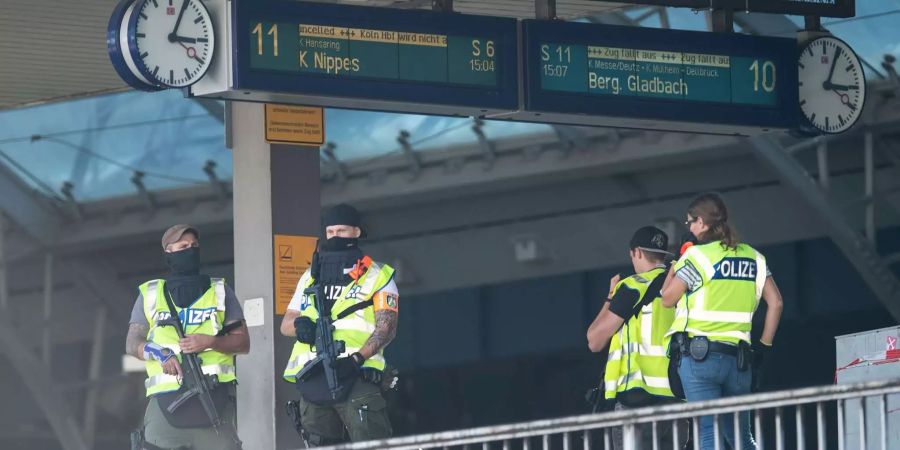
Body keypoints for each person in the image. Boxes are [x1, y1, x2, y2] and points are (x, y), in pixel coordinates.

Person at [661, 193, 784, 450]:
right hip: (739, 362)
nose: (689, 228)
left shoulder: (697, 257)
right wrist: (763, 348)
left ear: (702, 223)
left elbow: (667, 298)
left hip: (700, 361)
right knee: (742, 438)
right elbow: (776, 303)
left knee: (709, 435)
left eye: (690, 223)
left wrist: (676, 261)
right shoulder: (754, 258)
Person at [280, 204, 398, 446]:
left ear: (356, 232)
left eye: (341, 231)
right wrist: (301, 326)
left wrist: (356, 360)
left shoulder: (378, 275)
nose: (335, 237)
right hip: (314, 379)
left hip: (357, 377)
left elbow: (386, 328)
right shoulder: (309, 275)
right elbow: (286, 324)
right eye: (330, 232)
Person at [125, 224, 249, 450]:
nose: (190, 250)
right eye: (183, 247)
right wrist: (159, 353)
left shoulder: (220, 290)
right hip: (165, 404)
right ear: (169, 253)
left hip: (214, 403)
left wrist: (212, 341)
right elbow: (132, 343)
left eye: (194, 246)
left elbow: (243, 343)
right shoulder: (151, 294)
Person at [587, 226, 685, 450]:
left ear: (637, 252)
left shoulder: (632, 285)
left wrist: (610, 297)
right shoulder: (680, 286)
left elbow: (594, 340)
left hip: (637, 401)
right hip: (676, 397)